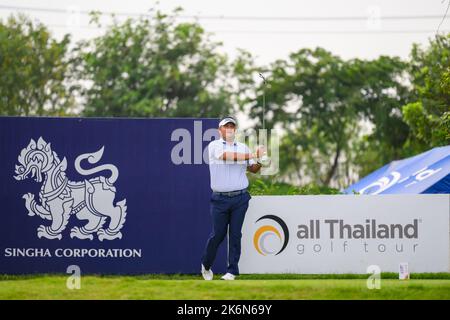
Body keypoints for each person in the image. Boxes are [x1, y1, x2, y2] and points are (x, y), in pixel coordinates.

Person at [201, 116, 264, 280]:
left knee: (236, 235)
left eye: (232, 126)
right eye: (226, 126)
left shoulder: (243, 148)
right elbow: (227, 156)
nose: (229, 128)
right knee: (218, 235)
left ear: (235, 130)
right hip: (219, 199)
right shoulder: (214, 146)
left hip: (240, 199)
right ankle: (206, 265)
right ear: (219, 130)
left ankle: (232, 271)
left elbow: (253, 169)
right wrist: (253, 153)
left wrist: (260, 160)